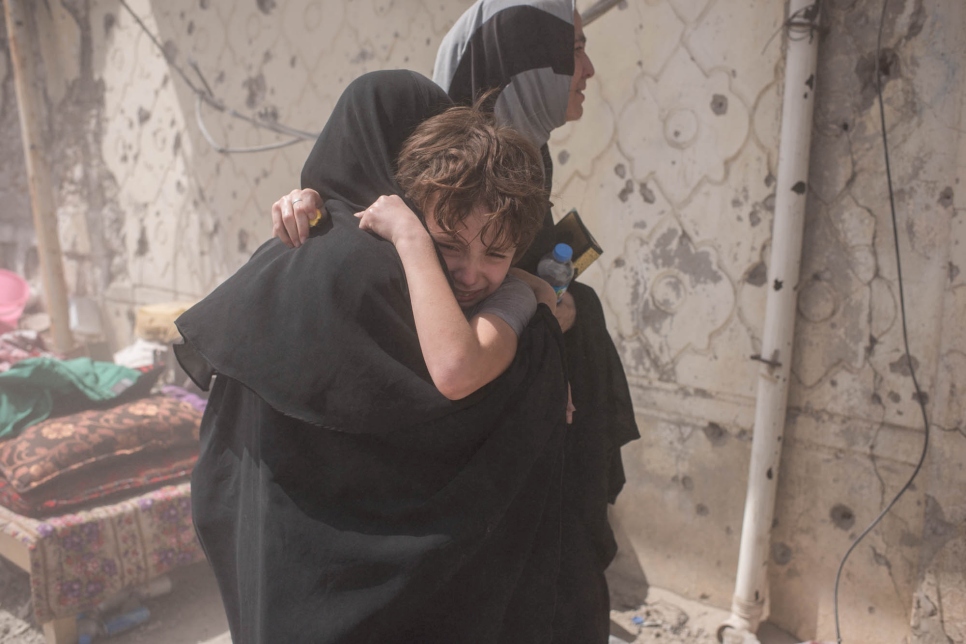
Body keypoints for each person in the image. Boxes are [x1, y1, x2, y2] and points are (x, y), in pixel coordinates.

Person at [270, 2, 640, 642]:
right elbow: (368, 217)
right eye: (573, 48)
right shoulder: (443, 153)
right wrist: (316, 199)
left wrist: (555, 308)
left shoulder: (530, 162)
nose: (587, 68)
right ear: (527, 61)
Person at [175, 70, 570, 643]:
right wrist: (539, 334)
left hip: (267, 546)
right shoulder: (398, 269)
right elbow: (461, 379)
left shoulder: (292, 248)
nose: (468, 268)